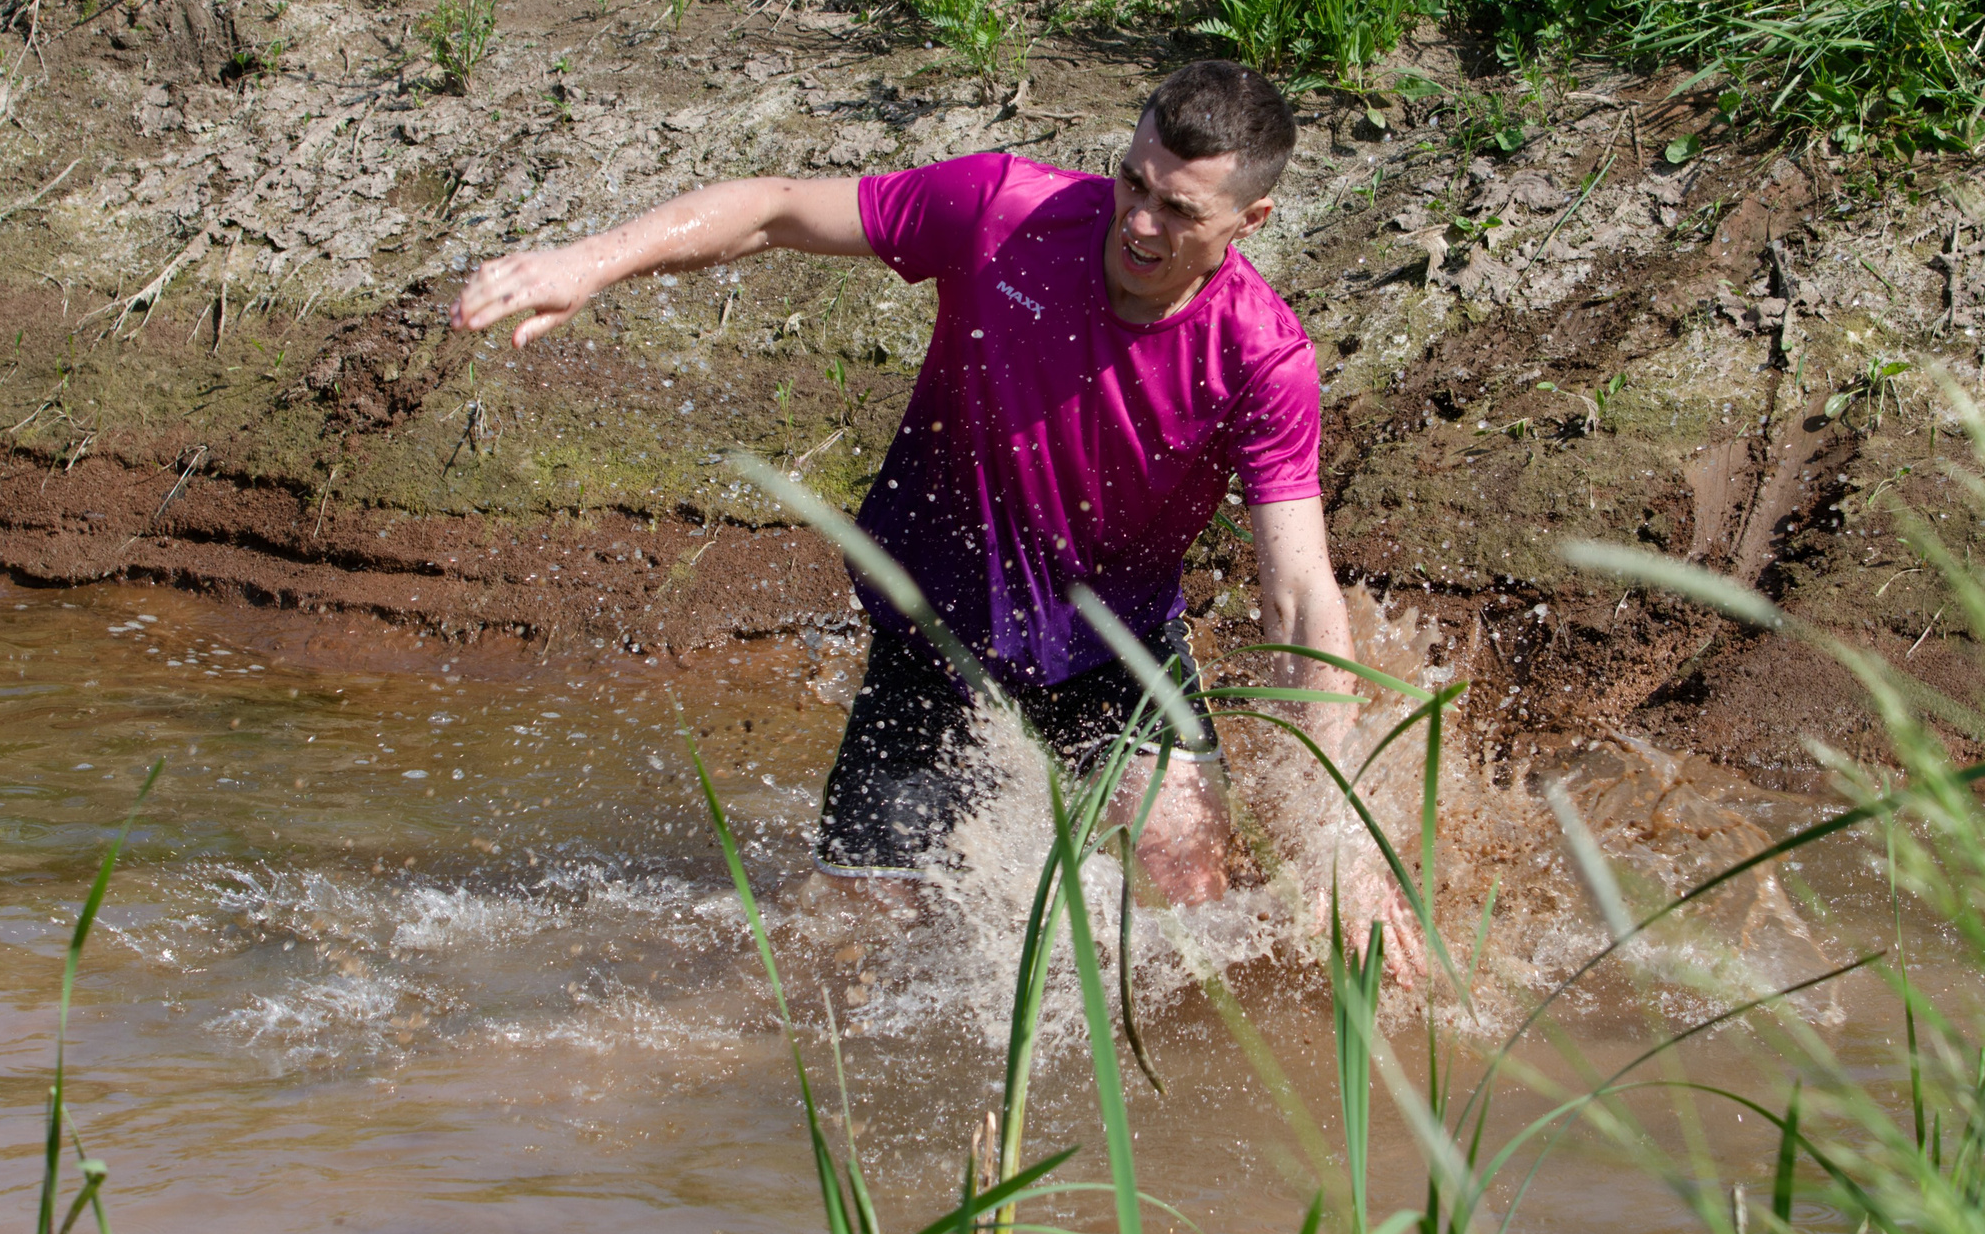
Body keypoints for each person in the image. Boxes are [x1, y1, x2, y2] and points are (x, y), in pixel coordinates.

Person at [450, 58, 1421, 975]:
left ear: (1250, 217)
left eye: (1177, 209)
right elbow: (777, 209)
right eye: (1131, 182)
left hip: (1114, 650)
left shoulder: (1261, 355)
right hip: (936, 631)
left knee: (1202, 895)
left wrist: (1335, 828)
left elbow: (1297, 595)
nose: (1138, 223)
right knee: (840, 944)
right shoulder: (1003, 210)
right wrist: (588, 261)